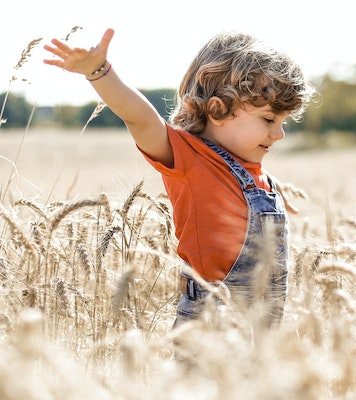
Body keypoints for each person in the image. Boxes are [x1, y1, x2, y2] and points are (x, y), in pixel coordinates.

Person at [43, 28, 315, 327]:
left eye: (283, 121)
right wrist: (99, 71)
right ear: (217, 109)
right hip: (210, 322)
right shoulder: (189, 159)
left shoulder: (256, 174)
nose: (279, 134)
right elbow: (141, 118)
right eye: (268, 119)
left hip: (264, 325)